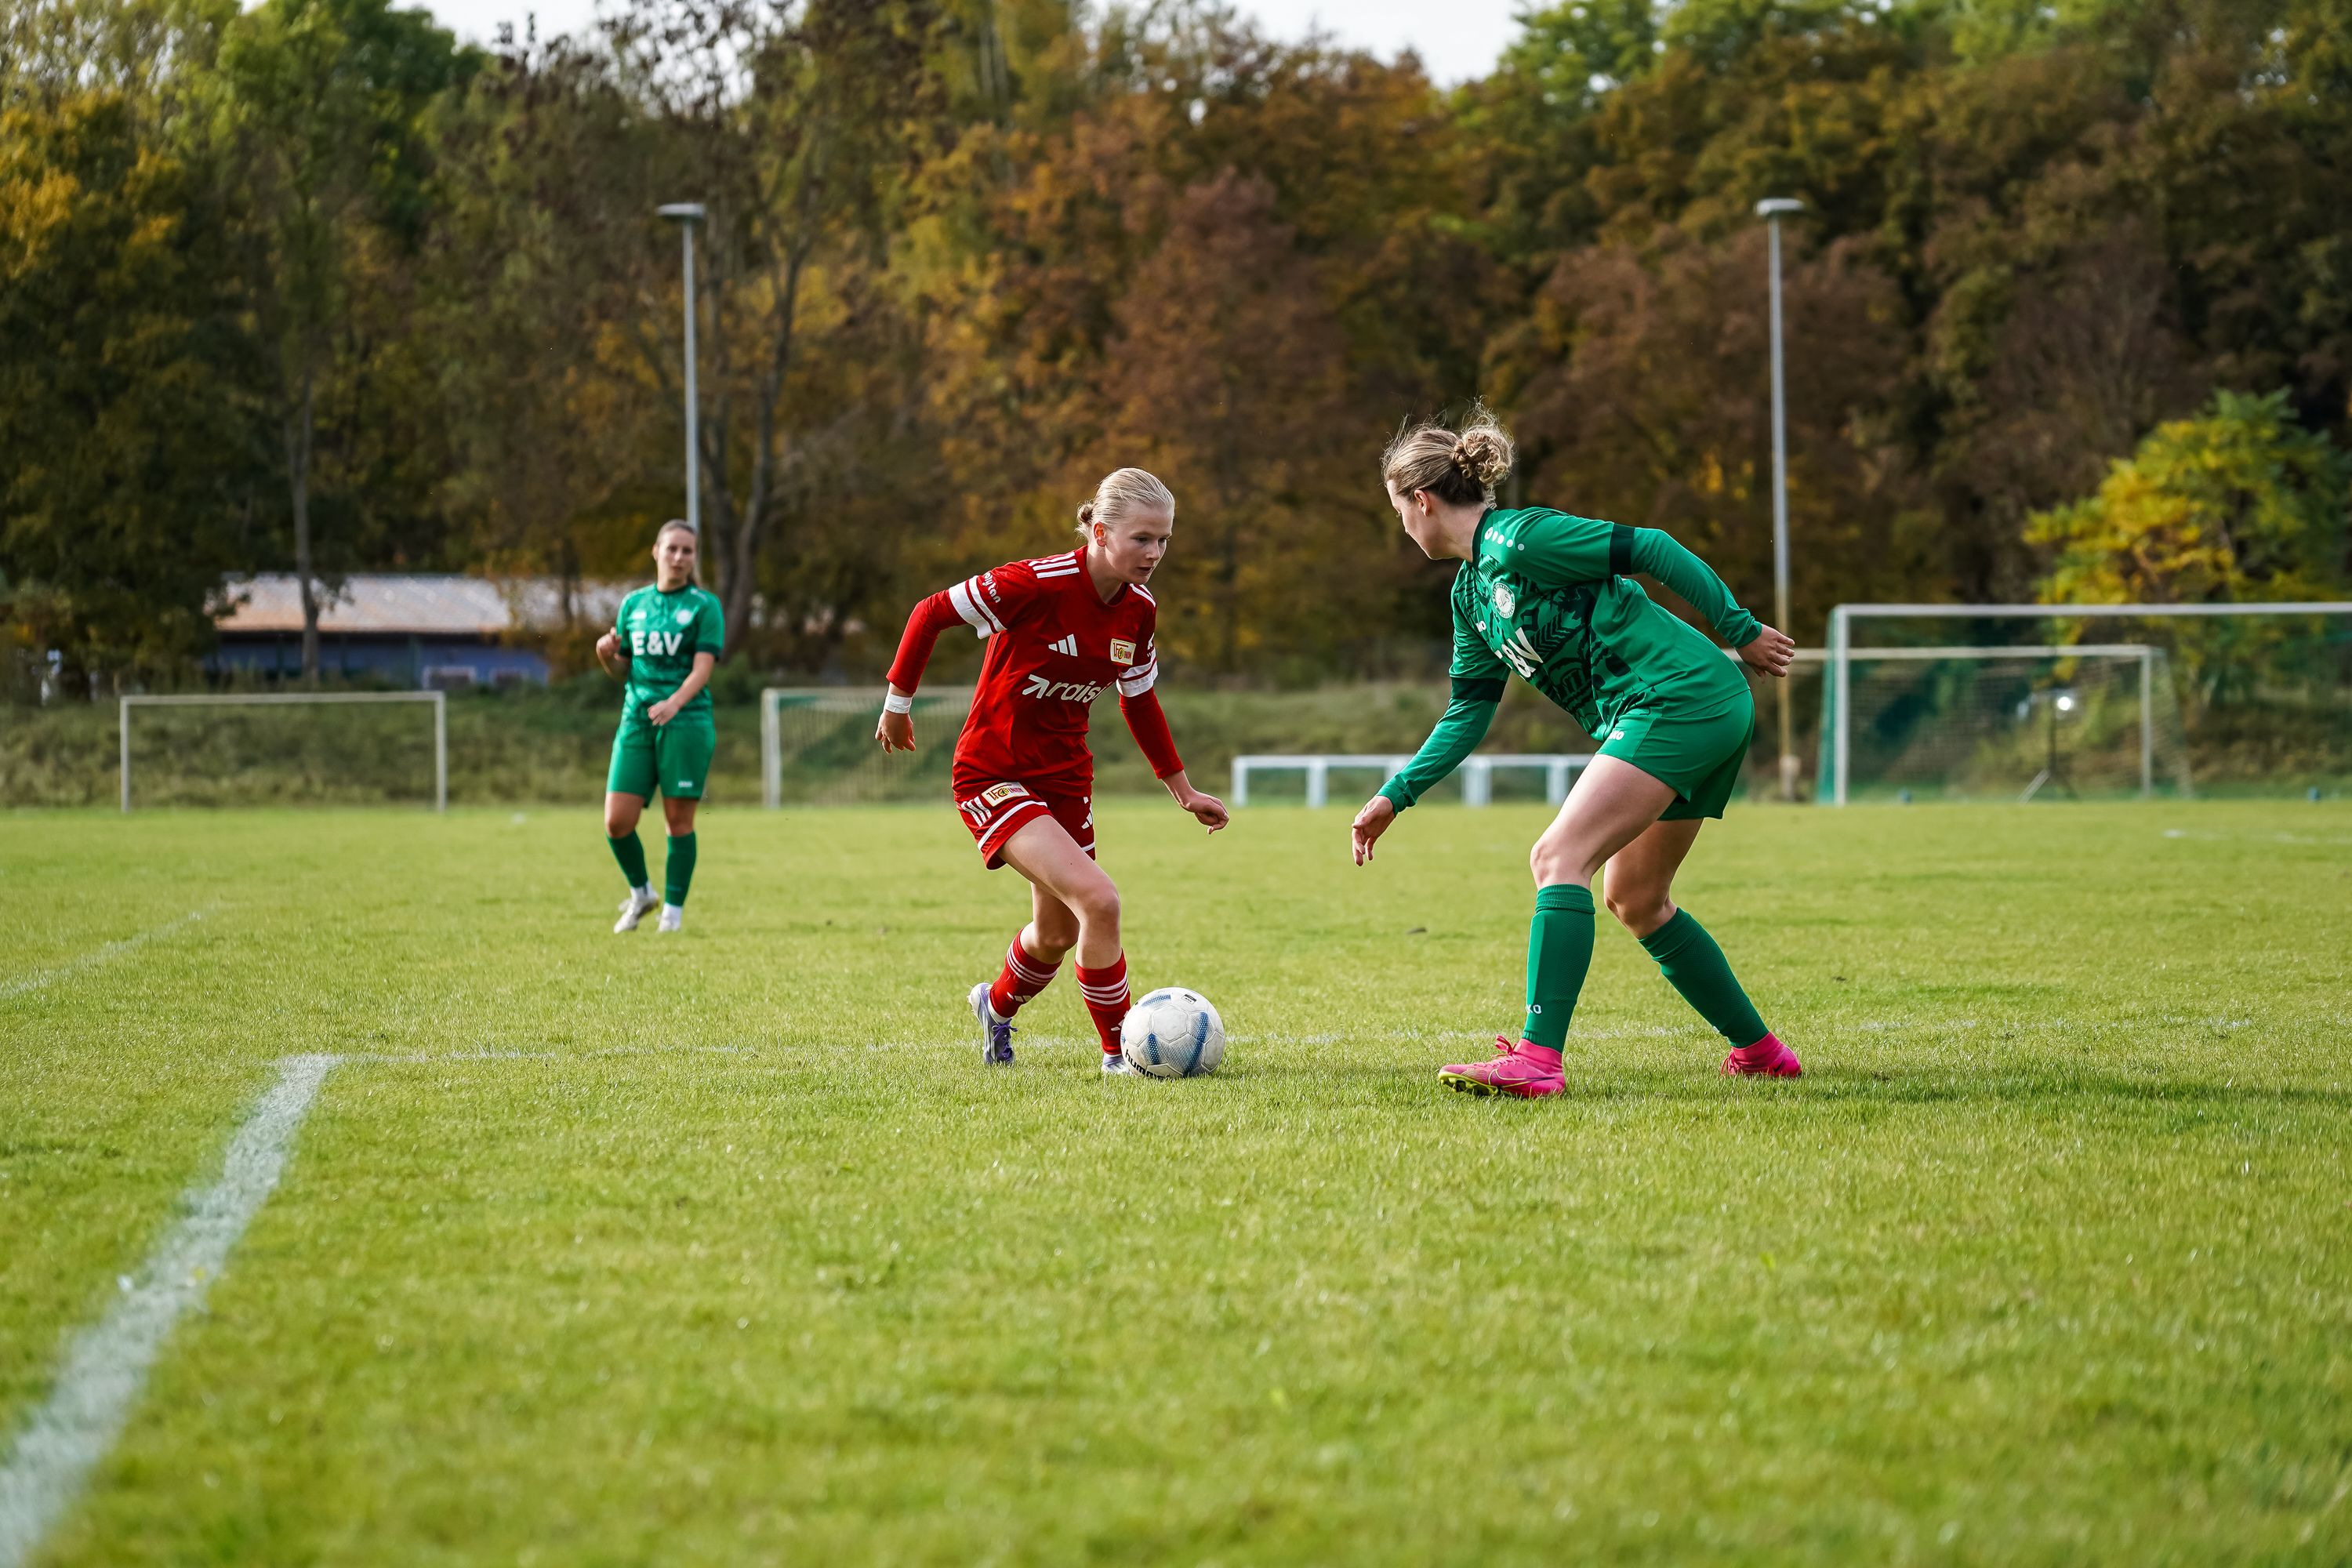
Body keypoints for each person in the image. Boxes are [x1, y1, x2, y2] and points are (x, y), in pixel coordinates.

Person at [1349, 409, 1802, 1097]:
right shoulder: (1472, 594)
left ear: (1422, 501)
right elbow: (1470, 709)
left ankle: (1537, 1058)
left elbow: (1651, 546)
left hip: (1678, 696)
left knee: (1557, 858)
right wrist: (1397, 793)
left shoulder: (1520, 540)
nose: (1404, 529)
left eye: (1398, 512)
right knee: (1637, 898)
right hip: (1693, 706)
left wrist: (1738, 628)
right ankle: (1763, 1052)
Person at [877, 468, 1228, 1072]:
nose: (1155, 553)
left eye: (1164, 540)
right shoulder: (1034, 584)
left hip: (1066, 778)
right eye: (1142, 538)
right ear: (1098, 531)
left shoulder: (1139, 611)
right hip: (994, 771)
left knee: (1057, 934)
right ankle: (1122, 1055)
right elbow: (929, 612)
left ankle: (995, 1005)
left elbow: (1138, 699)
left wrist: (1182, 788)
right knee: (1102, 901)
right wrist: (897, 705)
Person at [595, 520, 724, 934]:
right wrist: (605, 656)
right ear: (656, 552)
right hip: (636, 721)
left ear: (694, 558)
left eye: (688, 551)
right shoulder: (633, 604)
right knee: (617, 822)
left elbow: (703, 668)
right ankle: (641, 894)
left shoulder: (705, 606)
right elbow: (622, 673)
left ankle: (672, 915)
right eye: (672, 549)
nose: (679, 558)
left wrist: (674, 702)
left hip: (686, 721)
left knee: (678, 821)